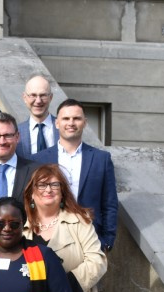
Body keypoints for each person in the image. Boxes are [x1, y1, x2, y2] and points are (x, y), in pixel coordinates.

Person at [32, 98, 118, 252]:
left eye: (76, 118)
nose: (71, 123)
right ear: (57, 123)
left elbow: (109, 203)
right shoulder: (39, 160)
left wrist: (108, 240)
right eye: (65, 118)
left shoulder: (101, 159)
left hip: (90, 239)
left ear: (84, 122)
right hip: (48, 238)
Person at [16, 75, 58, 158]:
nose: (38, 101)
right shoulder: (15, 132)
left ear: (51, 97)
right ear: (25, 98)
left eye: (43, 95)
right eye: (33, 95)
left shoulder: (63, 128)